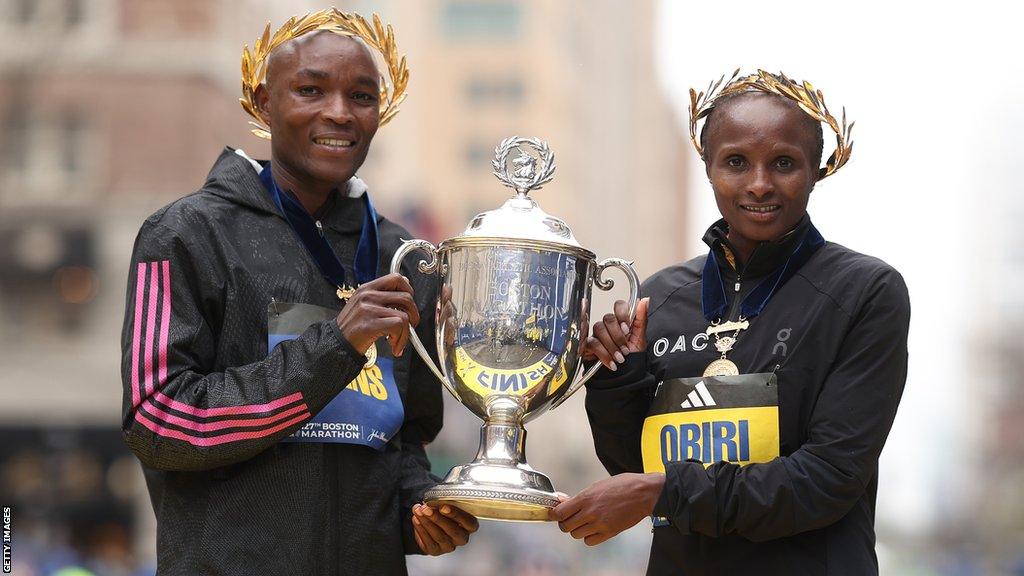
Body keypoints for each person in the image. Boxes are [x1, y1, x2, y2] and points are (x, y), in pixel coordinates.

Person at [119, 10, 476, 575]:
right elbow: (159, 422)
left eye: (362, 95)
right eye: (311, 89)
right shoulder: (186, 234)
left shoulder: (402, 257)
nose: (339, 111)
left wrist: (418, 508)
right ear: (262, 102)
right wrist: (334, 347)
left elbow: (404, 441)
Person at [552, 70, 910, 575]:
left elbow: (827, 479)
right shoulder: (661, 296)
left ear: (817, 170)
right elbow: (633, 470)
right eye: (736, 162)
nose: (760, 184)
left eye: (783, 163)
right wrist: (617, 378)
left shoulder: (865, 291)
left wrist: (666, 490)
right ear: (708, 166)